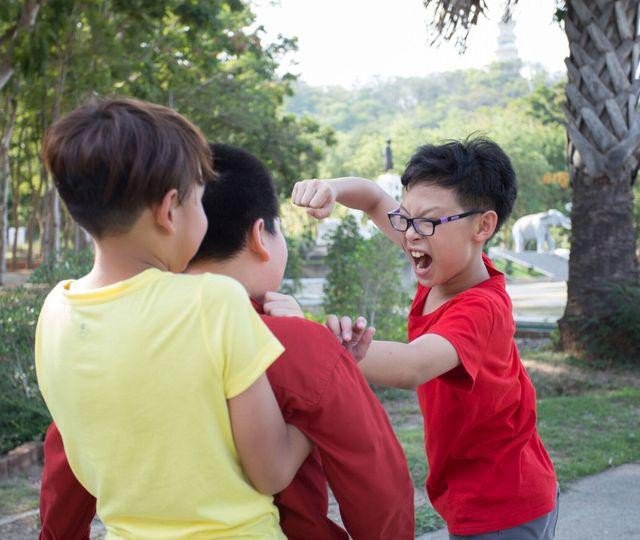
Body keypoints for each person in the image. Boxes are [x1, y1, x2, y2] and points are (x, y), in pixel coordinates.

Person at [39, 143, 415, 540]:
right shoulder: (299, 342)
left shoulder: (108, 329)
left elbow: (67, 461)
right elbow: (375, 478)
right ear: (259, 236)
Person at [35, 98, 313, 539]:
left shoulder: (56, 310)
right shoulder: (214, 302)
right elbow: (272, 470)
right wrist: (312, 416)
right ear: (169, 211)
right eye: (199, 200)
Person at [292, 137, 559, 539]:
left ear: (483, 226)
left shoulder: (480, 307)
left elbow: (412, 365)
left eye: (428, 222)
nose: (411, 235)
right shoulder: (444, 261)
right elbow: (372, 198)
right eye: (406, 219)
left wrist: (310, 340)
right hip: (473, 492)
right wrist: (330, 187)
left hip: (504, 502)